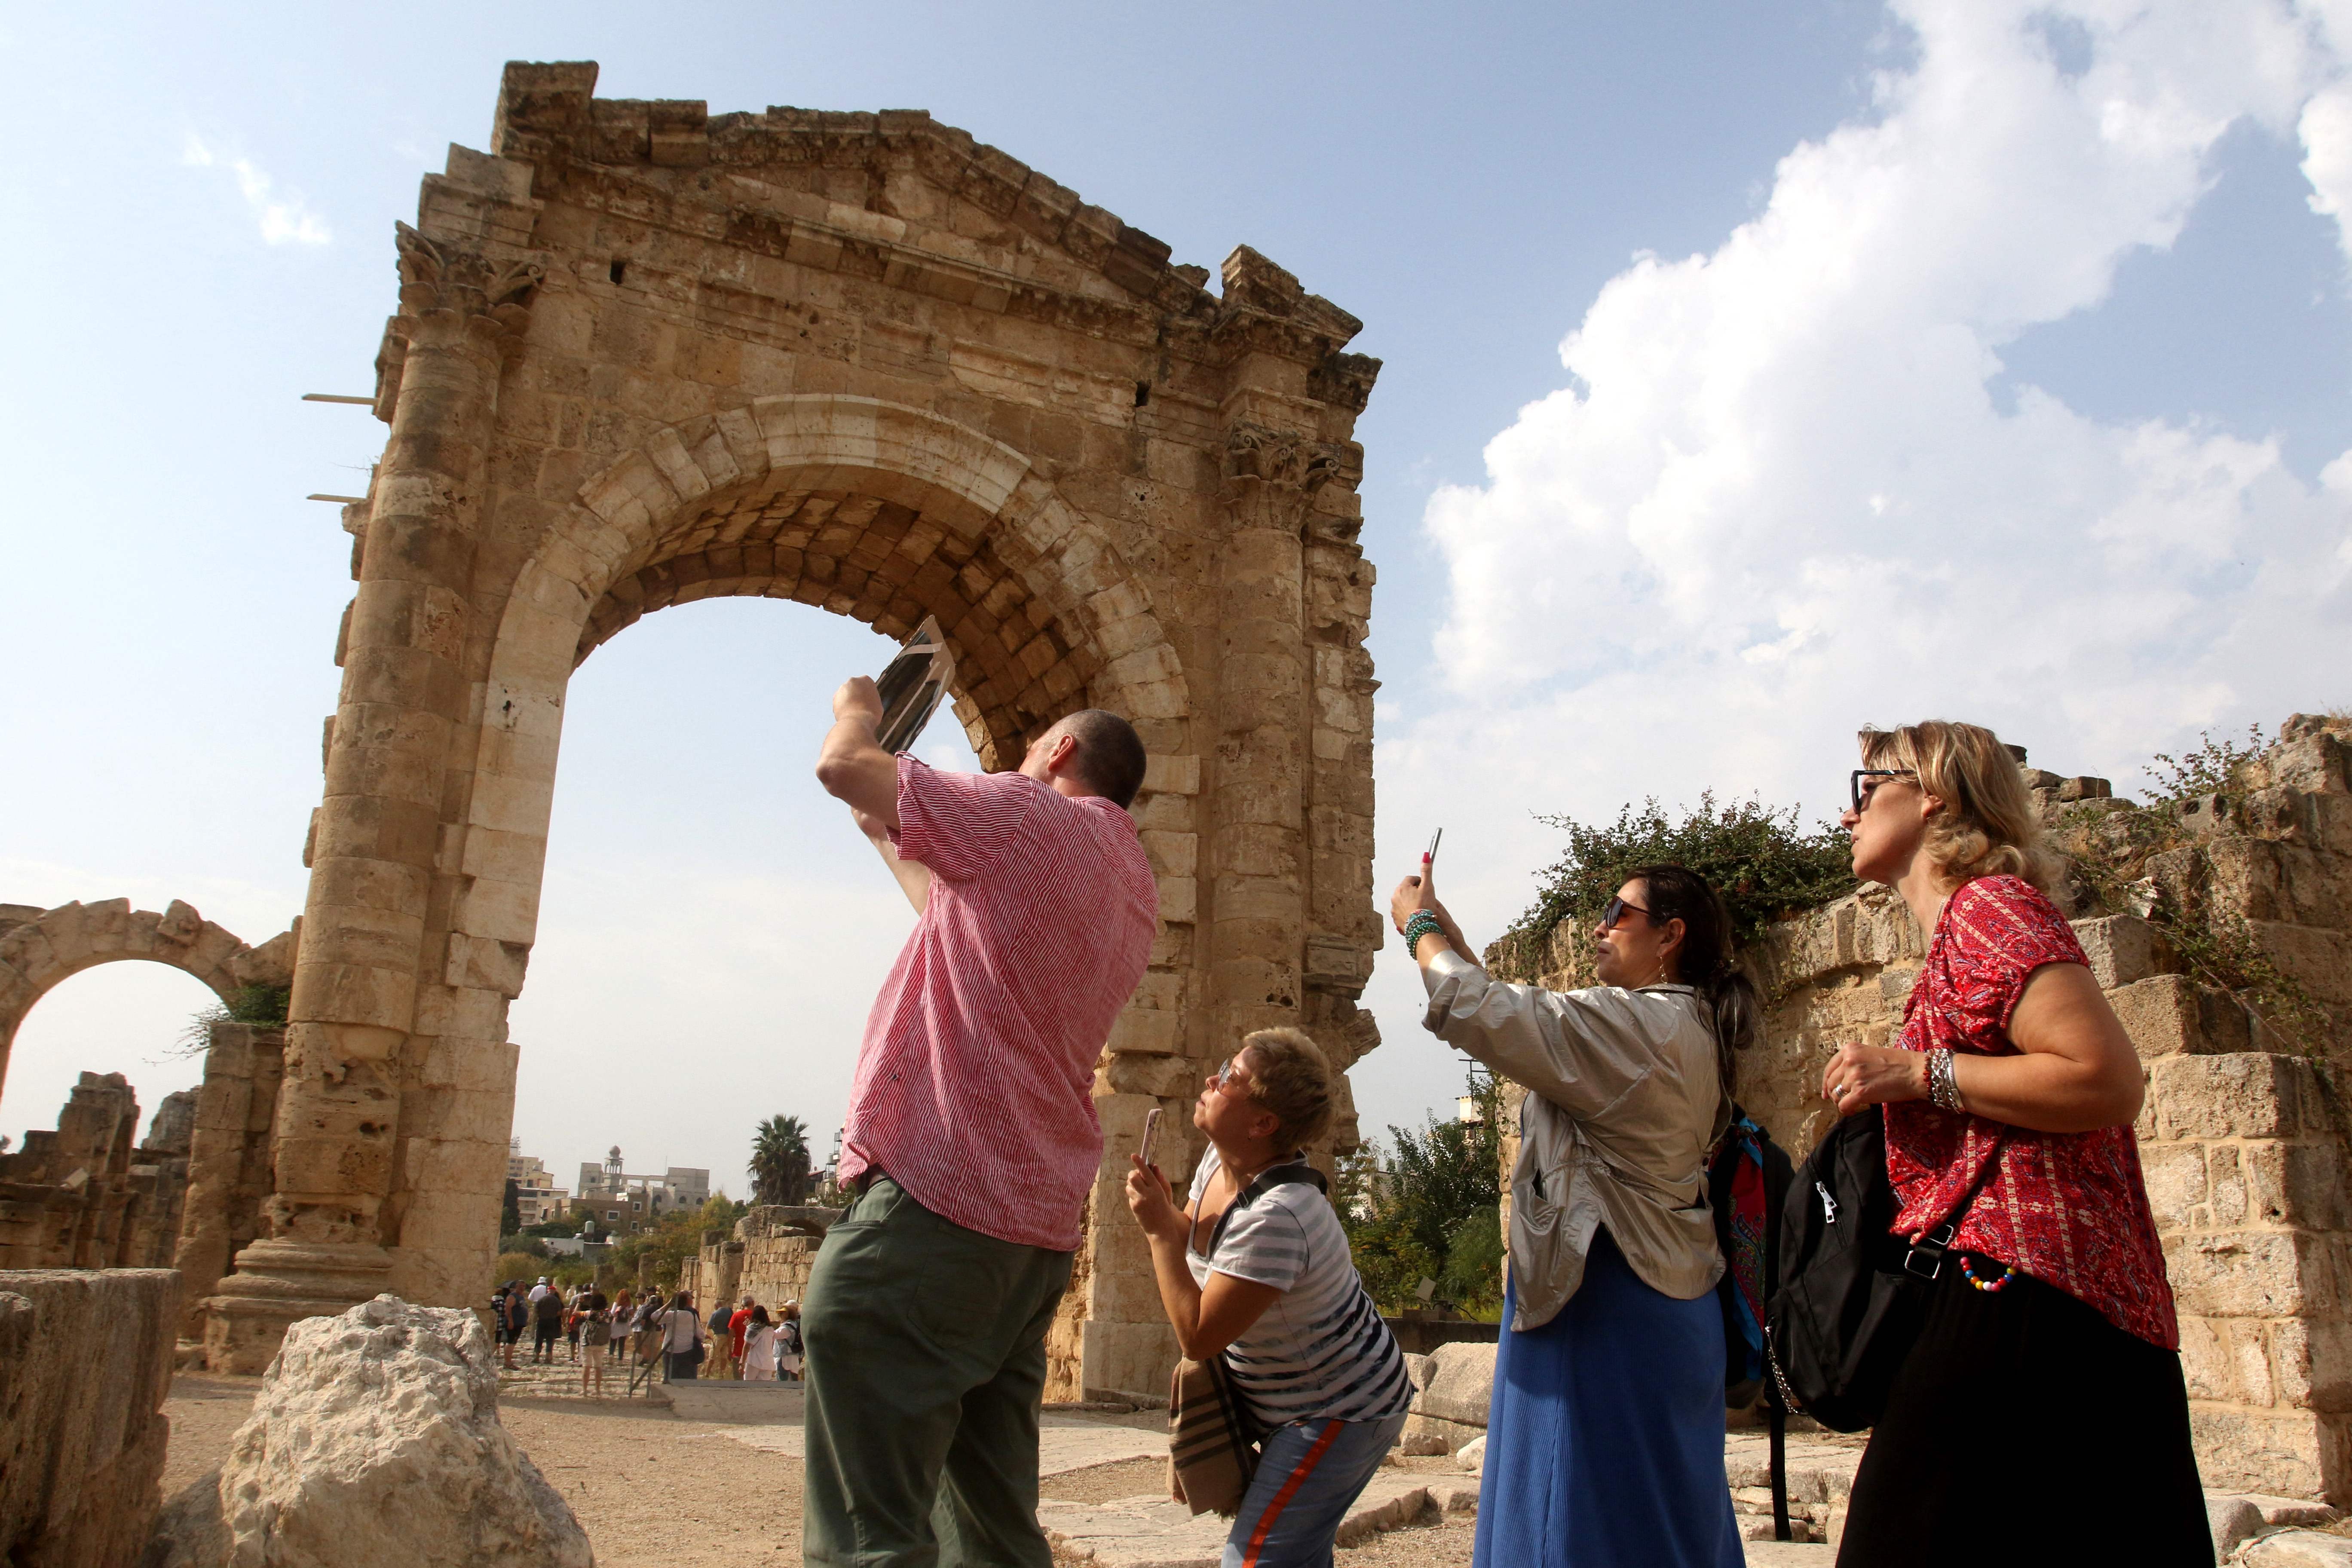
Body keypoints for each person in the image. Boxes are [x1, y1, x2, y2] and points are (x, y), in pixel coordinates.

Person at [1819, 722, 2203, 1565]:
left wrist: (1920, 1076)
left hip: (2029, 1295)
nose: (1844, 815)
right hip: (2043, 1305)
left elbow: (2105, 1080)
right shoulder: (1962, 932)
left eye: (1862, 787)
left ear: (1932, 795)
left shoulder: (1990, 908)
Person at [806, 684, 1158, 1567]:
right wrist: (884, 823)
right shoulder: (1131, 888)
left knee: (870, 1534)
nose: (1019, 758)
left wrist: (856, 708)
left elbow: (842, 766)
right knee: (995, 1531)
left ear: (1061, 755)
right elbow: (955, 906)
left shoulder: (1024, 815)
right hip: (1027, 1238)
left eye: (1029, 743)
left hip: (936, 1206)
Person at [1393, 853, 1752, 1568]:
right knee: (1658, 1526)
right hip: (1657, 1301)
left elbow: (1480, 1010)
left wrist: (1418, 928)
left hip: (1603, 1305)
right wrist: (1451, 937)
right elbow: (1515, 1016)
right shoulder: (1681, 1024)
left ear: (1669, 935)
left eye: (1618, 913)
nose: (1600, 925)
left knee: (1577, 1525)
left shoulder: (1637, 1029)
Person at [1124, 1028, 1414, 1568]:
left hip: (1342, 1409)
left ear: (1263, 1124)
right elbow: (1202, 1244)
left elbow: (1200, 1333)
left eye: (1230, 1077)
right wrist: (1170, 1219)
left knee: (1255, 1557)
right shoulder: (1219, 1163)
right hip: (1294, 1403)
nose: (1212, 1079)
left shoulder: (1280, 1216)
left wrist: (1159, 1231)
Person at [576, 1281, 612, 1396]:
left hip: (588, 1341)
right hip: (601, 1342)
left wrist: (579, 1302)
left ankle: (585, 1389)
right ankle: (597, 1390)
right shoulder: (608, 1314)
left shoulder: (589, 1313)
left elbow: (575, 1313)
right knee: (598, 1366)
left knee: (587, 1366)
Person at [662, 1289, 704, 1381]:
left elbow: (660, 1321)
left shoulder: (670, 1311)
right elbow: (699, 1332)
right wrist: (702, 1339)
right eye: (690, 1299)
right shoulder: (692, 1312)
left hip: (670, 1347)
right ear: (687, 1300)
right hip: (688, 1348)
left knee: (669, 1376)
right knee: (687, 1378)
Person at [743, 1305, 780, 1381]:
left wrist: (742, 1362)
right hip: (768, 1361)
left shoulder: (751, 1329)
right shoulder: (771, 1329)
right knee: (763, 1387)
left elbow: (747, 1346)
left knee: (748, 1385)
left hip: (754, 1360)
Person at [707, 1296, 736, 1379]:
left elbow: (709, 1326)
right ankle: (721, 1374)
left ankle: (707, 1373)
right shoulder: (730, 1312)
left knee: (713, 1355)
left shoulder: (715, 1314)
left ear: (716, 1306)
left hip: (719, 1336)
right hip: (728, 1336)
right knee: (724, 1356)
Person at [729, 1293, 756, 1376]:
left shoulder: (736, 1316)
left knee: (738, 1380)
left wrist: (729, 1350)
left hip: (738, 1351)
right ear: (753, 1303)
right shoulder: (757, 1316)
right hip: (754, 1353)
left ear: (743, 1305)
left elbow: (730, 1334)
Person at [777, 1301, 804, 1382]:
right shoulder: (800, 1319)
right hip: (798, 1348)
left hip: (790, 1349)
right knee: (793, 1371)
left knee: (787, 1372)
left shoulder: (793, 1322)